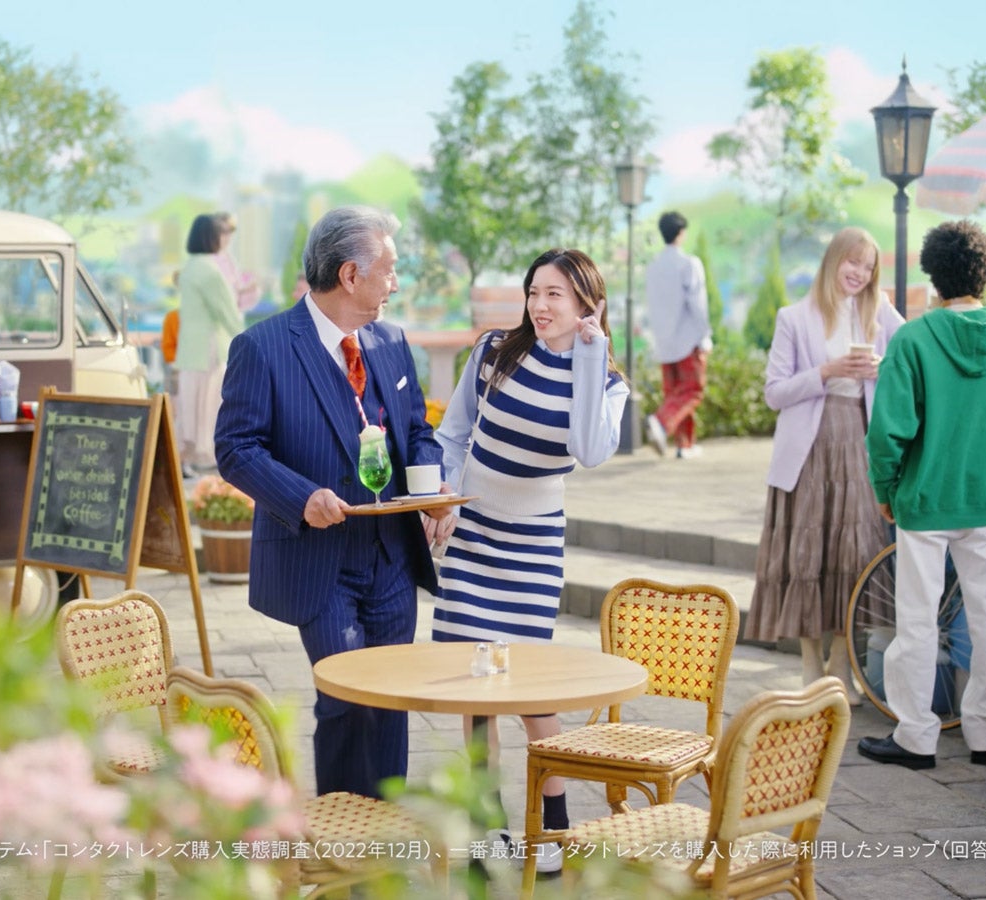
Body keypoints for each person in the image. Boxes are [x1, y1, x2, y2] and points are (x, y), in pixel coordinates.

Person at [214, 206, 447, 799]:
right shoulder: (262, 347)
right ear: (350, 275)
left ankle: (385, 848)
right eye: (389, 270)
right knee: (344, 702)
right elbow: (236, 448)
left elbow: (417, 430)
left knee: (389, 700)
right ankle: (345, 858)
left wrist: (430, 489)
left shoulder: (392, 342)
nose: (396, 283)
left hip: (392, 556)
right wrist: (302, 496)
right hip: (319, 563)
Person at [429, 247, 627, 871]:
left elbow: (589, 450)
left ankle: (551, 833)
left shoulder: (609, 383)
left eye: (555, 296)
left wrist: (591, 356)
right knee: (475, 688)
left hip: (534, 542)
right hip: (474, 530)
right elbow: (454, 431)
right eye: (534, 292)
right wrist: (446, 495)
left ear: (587, 306)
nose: (540, 307)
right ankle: (485, 825)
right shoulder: (494, 350)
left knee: (530, 694)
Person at [858, 220, 986, 771]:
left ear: (932, 275)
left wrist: (885, 489)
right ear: (985, 273)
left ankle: (917, 737)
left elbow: (887, 431)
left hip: (925, 499)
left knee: (917, 618)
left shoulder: (913, 338)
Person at [747, 227, 903, 699]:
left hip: (860, 440)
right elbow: (774, 391)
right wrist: (827, 372)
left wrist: (881, 369)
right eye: (852, 262)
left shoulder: (881, 315)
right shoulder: (795, 317)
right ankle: (810, 661)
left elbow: (906, 360)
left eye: (868, 266)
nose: (859, 273)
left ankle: (842, 660)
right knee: (807, 555)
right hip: (808, 449)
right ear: (834, 260)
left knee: (856, 553)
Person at [174, 214, 246, 474]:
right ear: (212, 237)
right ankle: (206, 457)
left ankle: (185, 457)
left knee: (190, 404)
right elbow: (227, 313)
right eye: (222, 233)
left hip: (190, 346)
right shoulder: (210, 270)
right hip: (209, 346)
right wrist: (249, 340)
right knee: (209, 403)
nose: (226, 238)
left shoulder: (191, 266)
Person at [643, 212, 711, 458]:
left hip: (663, 341)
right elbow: (698, 304)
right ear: (681, 233)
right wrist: (705, 335)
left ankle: (685, 445)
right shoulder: (688, 264)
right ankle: (661, 422)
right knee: (692, 390)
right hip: (687, 339)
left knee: (676, 393)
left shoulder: (653, 267)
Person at [213, 212, 261, 312]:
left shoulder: (228, 258)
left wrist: (251, 288)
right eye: (223, 231)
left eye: (230, 231)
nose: (227, 236)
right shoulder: (208, 259)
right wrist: (244, 289)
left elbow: (239, 298)